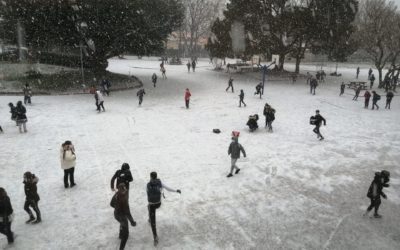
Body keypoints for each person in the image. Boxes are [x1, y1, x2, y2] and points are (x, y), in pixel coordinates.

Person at [147, 172, 181, 246]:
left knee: (153, 222)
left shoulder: (148, 184)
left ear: (150, 177)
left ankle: (155, 237)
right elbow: (168, 189)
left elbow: (147, 194)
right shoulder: (160, 183)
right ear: (156, 176)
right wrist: (176, 190)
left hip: (152, 205)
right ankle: (149, 218)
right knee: (148, 207)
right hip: (158, 204)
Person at [110, 183, 136, 250]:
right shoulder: (123, 198)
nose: (124, 191)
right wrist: (132, 221)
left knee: (122, 223)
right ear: (120, 190)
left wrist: (116, 207)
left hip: (116, 214)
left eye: (125, 189)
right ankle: (121, 248)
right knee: (126, 234)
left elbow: (111, 204)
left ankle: (120, 235)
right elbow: (127, 212)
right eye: (123, 190)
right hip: (121, 216)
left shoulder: (117, 194)